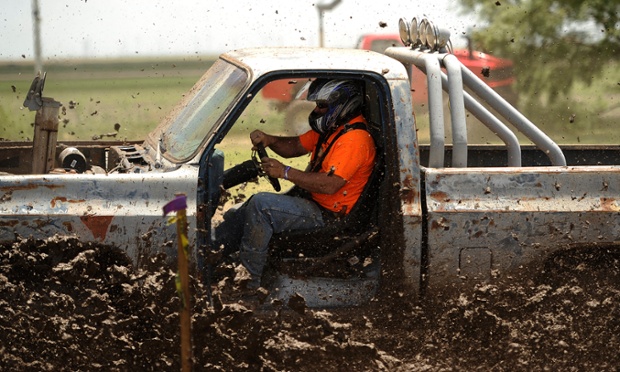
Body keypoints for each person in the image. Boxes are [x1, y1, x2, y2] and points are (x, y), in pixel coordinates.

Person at [213, 79, 376, 290]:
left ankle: (248, 284)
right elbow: (295, 147)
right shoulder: (333, 129)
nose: (317, 110)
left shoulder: (355, 139)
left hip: (328, 216)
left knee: (262, 206)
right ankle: (214, 252)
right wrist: (270, 139)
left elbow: (330, 184)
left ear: (343, 103)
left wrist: (285, 172)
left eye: (322, 106)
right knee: (252, 204)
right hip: (313, 203)